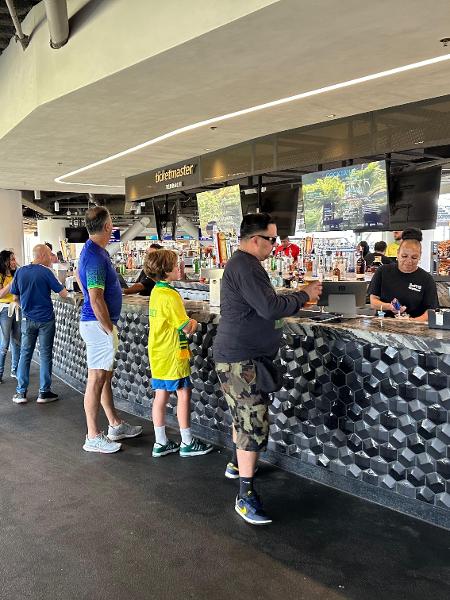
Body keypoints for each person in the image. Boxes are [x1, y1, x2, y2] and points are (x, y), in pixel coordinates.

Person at [213, 213, 322, 525]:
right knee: (253, 425)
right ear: (254, 239)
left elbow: (265, 303)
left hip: (238, 358)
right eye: (272, 239)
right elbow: (270, 308)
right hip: (242, 361)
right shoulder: (245, 265)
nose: (276, 245)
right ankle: (244, 496)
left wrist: (293, 297)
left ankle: (237, 464)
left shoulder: (243, 265)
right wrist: (304, 294)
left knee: (242, 418)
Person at [78, 207, 143, 453]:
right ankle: (92, 436)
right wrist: (108, 329)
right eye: (112, 223)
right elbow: (95, 298)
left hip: (98, 325)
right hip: (98, 326)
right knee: (96, 379)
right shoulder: (94, 256)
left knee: (104, 377)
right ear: (107, 227)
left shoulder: (92, 250)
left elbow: (80, 278)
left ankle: (114, 424)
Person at [144, 248, 213, 458]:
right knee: (183, 394)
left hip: (158, 353)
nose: (179, 267)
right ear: (167, 270)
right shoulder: (171, 296)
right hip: (175, 353)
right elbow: (186, 327)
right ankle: (187, 441)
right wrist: (194, 320)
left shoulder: (156, 291)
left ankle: (161, 442)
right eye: (176, 264)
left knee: (161, 396)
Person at [10, 244, 67, 404]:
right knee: (45, 354)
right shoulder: (46, 272)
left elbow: (15, 298)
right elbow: (63, 294)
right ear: (42, 255)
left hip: (27, 320)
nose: (51, 258)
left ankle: (21, 393)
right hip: (46, 320)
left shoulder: (20, 272)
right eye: (49, 255)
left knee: (25, 354)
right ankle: (44, 392)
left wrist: (26, 308)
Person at [369, 238, 438, 321]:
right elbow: (373, 302)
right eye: (404, 256)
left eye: (414, 257)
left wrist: (412, 322)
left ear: (419, 256)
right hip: (383, 323)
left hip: (414, 328)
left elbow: (431, 310)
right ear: (398, 253)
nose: (409, 261)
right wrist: (390, 306)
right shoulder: (383, 271)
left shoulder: (427, 279)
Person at [0, 250, 20, 383]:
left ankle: (15, 370)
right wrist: (11, 284)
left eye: (14, 259)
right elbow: (0, 294)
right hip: (4, 310)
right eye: (11, 259)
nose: (14, 262)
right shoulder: (1, 276)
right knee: (5, 341)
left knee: (17, 341)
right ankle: (0, 372)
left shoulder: (16, 274)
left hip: (17, 309)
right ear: (5, 261)